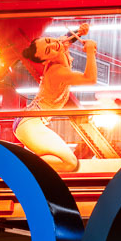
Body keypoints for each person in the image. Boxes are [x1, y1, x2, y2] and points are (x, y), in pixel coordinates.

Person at [15, 23, 95, 172]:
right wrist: (90, 52)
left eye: (48, 40)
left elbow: (66, 39)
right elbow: (90, 79)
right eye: (48, 50)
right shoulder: (57, 72)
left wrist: (80, 31)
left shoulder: (59, 45)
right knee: (69, 163)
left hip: (31, 119)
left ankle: (23, 164)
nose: (54, 44)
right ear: (46, 60)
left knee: (66, 163)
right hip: (30, 122)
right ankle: (18, 165)